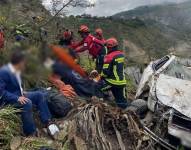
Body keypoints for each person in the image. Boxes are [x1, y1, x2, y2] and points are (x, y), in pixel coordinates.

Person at [0, 50, 59, 137]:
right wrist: (17, 98)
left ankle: (48, 121)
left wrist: (22, 92)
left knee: (39, 95)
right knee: (27, 103)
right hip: (7, 101)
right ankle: (30, 132)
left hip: (18, 95)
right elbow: (1, 92)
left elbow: (15, 86)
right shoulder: (3, 72)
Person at [99, 38, 130, 109]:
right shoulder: (121, 55)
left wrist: (100, 77)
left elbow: (105, 73)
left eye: (107, 47)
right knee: (122, 103)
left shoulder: (109, 56)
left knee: (96, 88)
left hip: (111, 83)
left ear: (109, 47)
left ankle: (102, 103)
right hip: (122, 83)